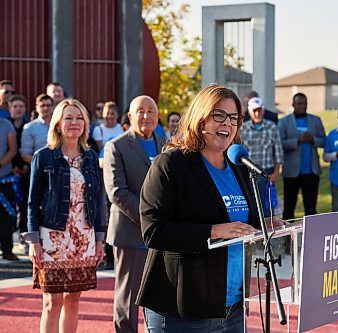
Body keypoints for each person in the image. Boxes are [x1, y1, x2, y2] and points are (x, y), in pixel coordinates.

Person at [136, 84, 284, 332]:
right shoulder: (172, 164)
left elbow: (237, 222)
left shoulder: (238, 166)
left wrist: (262, 227)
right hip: (182, 307)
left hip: (234, 306)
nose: (228, 123)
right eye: (219, 115)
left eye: (234, 118)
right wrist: (213, 231)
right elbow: (153, 231)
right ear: (200, 117)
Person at [24, 99, 104, 332]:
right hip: (52, 239)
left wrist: (99, 240)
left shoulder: (90, 157)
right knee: (52, 301)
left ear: (86, 125)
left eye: (79, 118)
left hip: (84, 238)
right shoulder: (44, 156)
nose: (74, 122)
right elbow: (32, 201)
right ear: (58, 124)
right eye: (68, 118)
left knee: (74, 298)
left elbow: (98, 201)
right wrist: (34, 242)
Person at [103, 95, 165, 333]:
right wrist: (149, 219)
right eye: (140, 111)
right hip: (131, 230)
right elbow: (117, 192)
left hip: (161, 234)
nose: (146, 116)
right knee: (128, 295)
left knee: (158, 293)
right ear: (129, 116)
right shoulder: (116, 146)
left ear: (158, 116)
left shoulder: (165, 144)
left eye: (151, 111)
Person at [278, 92, 326, 219]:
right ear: (293, 104)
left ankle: (311, 235)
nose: (302, 106)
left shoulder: (315, 120)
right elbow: (280, 144)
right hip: (292, 171)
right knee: (289, 207)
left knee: (310, 207)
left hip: (311, 170)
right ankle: (288, 236)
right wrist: (297, 140)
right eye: (299, 103)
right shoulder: (284, 122)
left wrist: (313, 140)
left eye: (304, 103)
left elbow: (323, 140)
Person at [240, 97, 284, 215]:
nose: (257, 113)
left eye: (259, 110)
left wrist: (276, 173)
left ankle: (269, 232)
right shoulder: (242, 129)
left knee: (267, 209)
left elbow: (278, 152)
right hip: (249, 174)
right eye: (254, 110)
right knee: (252, 208)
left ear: (263, 110)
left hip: (267, 173)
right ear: (249, 111)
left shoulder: (272, 127)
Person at [8, 95, 30, 250]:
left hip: (27, 170)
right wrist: (12, 167)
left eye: (21, 106)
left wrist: (25, 166)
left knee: (25, 205)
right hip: (7, 171)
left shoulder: (28, 126)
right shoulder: (5, 125)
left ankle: (24, 235)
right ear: (10, 108)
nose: (18, 109)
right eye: (15, 106)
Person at [0, 115, 19, 260]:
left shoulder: (6, 124)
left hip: (4, 177)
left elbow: (13, 149)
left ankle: (7, 249)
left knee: (6, 217)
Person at [20, 94, 54, 164]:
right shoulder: (29, 127)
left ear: (53, 107)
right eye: (42, 106)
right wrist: (42, 166)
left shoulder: (60, 125)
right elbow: (25, 154)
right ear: (36, 107)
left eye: (48, 105)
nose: (46, 108)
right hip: (39, 168)